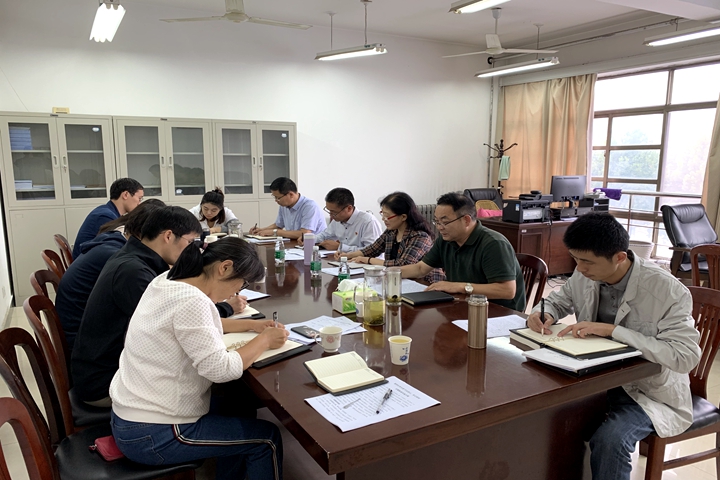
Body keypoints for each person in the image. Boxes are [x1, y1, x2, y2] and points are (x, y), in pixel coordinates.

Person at [526, 213, 700, 480]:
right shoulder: (585, 274)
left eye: (586, 261)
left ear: (619, 257)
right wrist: (543, 313)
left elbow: (684, 356)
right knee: (543, 417)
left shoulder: (667, 290)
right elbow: (558, 301)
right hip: (595, 380)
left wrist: (615, 331)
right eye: (575, 259)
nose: (579, 268)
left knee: (611, 440)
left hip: (646, 391)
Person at [110, 237, 287, 480]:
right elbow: (221, 370)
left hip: (133, 416)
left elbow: (198, 324)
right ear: (224, 267)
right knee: (267, 440)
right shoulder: (192, 301)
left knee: (241, 406)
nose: (236, 292)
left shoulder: (168, 280)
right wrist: (264, 340)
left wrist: (252, 325)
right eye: (241, 284)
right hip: (155, 433)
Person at [71, 206, 246, 407]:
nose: (192, 250)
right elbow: (175, 320)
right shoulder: (133, 273)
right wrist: (226, 308)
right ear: (168, 236)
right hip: (105, 382)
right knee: (224, 383)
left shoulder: (134, 259)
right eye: (190, 242)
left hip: (108, 368)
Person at [56, 199, 165, 353]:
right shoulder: (119, 258)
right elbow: (151, 312)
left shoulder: (114, 239)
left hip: (79, 327)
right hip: (82, 341)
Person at [398, 193, 525, 311]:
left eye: (445, 222)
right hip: (463, 303)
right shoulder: (446, 240)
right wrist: (390, 273)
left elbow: (507, 290)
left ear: (466, 220)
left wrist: (459, 286)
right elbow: (420, 268)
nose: (439, 227)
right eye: (436, 221)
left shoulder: (493, 244)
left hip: (498, 312)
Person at [342, 191, 444, 284]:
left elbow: (402, 264)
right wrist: (347, 256)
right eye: (382, 214)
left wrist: (368, 260)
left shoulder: (420, 236)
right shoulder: (391, 232)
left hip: (425, 283)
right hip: (398, 280)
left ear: (403, 217)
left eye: (387, 216)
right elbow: (372, 249)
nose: (383, 219)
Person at [72, 177, 144, 257]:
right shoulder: (106, 216)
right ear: (125, 195)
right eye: (139, 198)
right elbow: (115, 248)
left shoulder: (106, 210)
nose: (139, 203)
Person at [299, 187, 382, 252]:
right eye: (329, 211)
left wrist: (340, 247)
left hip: (366, 265)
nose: (331, 215)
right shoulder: (337, 219)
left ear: (349, 208)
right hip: (344, 260)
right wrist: (309, 239)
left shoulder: (368, 222)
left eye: (334, 212)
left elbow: (372, 250)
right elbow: (325, 235)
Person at [248, 177, 325, 240]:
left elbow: (305, 234)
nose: (276, 201)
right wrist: (262, 230)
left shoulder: (310, 207)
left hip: (315, 246)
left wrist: (276, 232)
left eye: (278, 198)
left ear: (291, 194)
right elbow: (278, 225)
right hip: (294, 244)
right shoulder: (284, 205)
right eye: (274, 197)